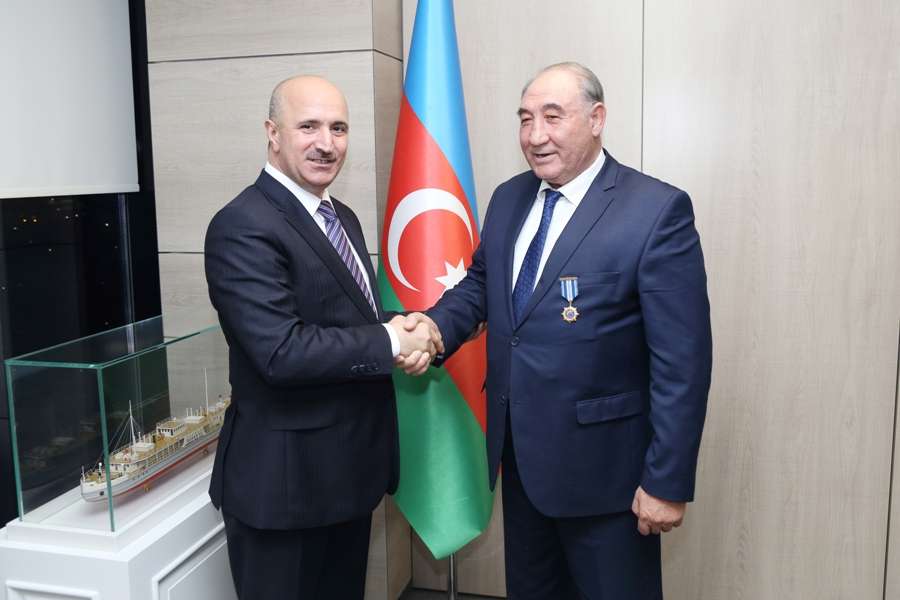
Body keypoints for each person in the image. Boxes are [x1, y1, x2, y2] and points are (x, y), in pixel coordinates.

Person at [402, 62, 712, 598]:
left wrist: (666, 481)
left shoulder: (656, 211)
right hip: (522, 466)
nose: (535, 136)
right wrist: (433, 327)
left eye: (552, 116)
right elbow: (480, 287)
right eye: (525, 119)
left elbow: (683, 362)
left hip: (609, 483)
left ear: (597, 119)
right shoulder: (509, 198)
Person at [205, 75, 441, 599]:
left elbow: (354, 319)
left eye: (338, 128)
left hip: (345, 481)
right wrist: (392, 343)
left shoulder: (340, 216)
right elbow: (280, 351)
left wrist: (411, 327)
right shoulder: (242, 225)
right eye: (308, 126)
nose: (326, 143)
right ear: (272, 132)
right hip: (284, 493)